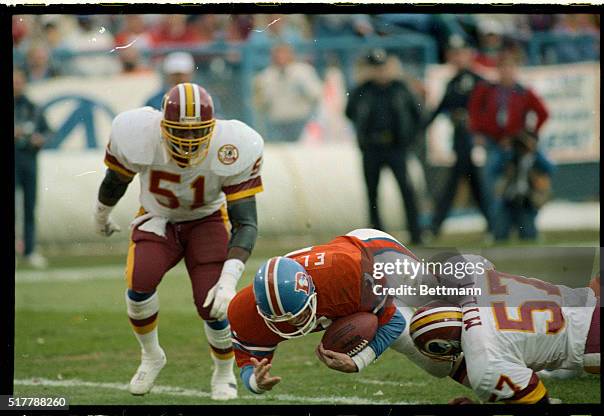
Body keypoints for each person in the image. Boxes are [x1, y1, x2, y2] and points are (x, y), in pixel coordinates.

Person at [94, 82, 264, 400]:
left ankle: (224, 371)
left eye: (196, 132)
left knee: (213, 304)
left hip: (207, 220)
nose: (187, 142)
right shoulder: (136, 132)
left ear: (212, 127)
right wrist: (101, 215)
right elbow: (116, 179)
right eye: (179, 132)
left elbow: (247, 223)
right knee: (139, 281)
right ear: (161, 125)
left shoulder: (235, 143)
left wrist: (229, 280)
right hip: (157, 218)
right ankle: (151, 355)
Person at [227, 229, 456, 395]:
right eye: (285, 319)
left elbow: (393, 320)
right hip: (356, 292)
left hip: (373, 255)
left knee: (445, 314)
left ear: (311, 292)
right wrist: (256, 383)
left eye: (300, 313)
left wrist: (359, 361)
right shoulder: (244, 312)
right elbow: (249, 364)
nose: (296, 322)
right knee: (437, 364)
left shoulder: (345, 277)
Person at [408, 255, 600, 404]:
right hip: (590, 300)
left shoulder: (483, 360)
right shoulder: (468, 278)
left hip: (590, 344)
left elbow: (537, 397)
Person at [468, 50, 549, 241]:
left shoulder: (523, 92)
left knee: (524, 186)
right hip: (493, 143)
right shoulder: (487, 89)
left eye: (510, 67)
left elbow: (543, 113)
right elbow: (474, 112)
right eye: (503, 67)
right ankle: (495, 228)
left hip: (516, 147)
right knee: (492, 186)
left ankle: (526, 226)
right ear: (498, 70)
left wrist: (529, 135)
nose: (507, 72)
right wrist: (478, 133)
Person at [345, 49, 424, 244]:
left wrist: (409, 139)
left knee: (406, 189)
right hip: (371, 147)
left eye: (383, 67)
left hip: (395, 147)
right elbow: (349, 111)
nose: (380, 72)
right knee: (372, 193)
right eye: (376, 68)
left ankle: (416, 232)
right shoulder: (363, 89)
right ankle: (376, 236)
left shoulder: (400, 88)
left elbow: (418, 115)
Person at [424, 37, 494, 237]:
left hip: (474, 138)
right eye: (454, 54)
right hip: (460, 138)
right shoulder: (453, 81)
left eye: (461, 53)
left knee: (459, 182)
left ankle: (436, 225)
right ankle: (492, 223)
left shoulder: (478, 81)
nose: (457, 58)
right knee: (472, 182)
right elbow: (440, 108)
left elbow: (487, 109)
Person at [14, 68, 51, 269]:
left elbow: (47, 131)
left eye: (19, 81)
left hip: (28, 159)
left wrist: (39, 139)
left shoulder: (33, 107)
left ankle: (30, 250)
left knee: (29, 206)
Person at [253, 43, 322, 142]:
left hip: (300, 120)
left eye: (284, 53)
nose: (281, 57)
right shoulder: (266, 76)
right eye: (278, 54)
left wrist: (304, 87)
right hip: (276, 122)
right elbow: (259, 102)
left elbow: (316, 94)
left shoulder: (304, 71)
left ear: (291, 55)